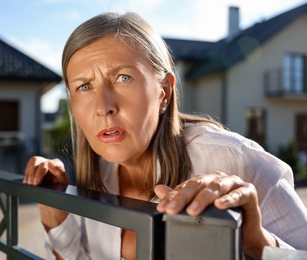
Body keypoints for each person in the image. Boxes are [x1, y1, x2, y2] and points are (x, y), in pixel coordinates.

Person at [23, 12, 307, 260]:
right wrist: (55, 214)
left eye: (123, 78)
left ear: (164, 92)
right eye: (84, 86)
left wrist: (257, 243)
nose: (103, 107)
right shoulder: (98, 170)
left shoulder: (234, 160)